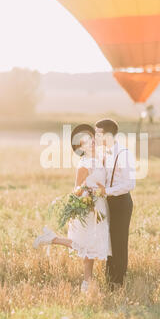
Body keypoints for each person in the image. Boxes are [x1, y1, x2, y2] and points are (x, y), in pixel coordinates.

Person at [33, 124, 111, 293]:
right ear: (80, 147)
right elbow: (76, 189)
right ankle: (86, 281)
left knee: (92, 244)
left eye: (91, 140)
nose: (91, 143)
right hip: (89, 207)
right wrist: (88, 196)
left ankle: (86, 280)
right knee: (86, 244)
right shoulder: (83, 164)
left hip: (100, 206)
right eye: (86, 142)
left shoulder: (99, 158)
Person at [95, 119, 135, 288]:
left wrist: (107, 192)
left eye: (98, 133)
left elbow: (129, 184)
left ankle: (118, 281)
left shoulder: (123, 153)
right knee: (108, 241)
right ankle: (109, 278)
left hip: (120, 202)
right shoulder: (104, 153)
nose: (95, 137)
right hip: (107, 202)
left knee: (119, 241)